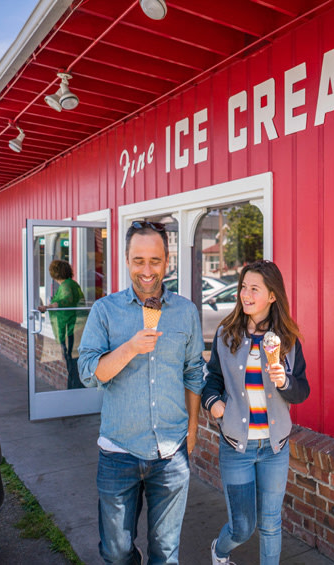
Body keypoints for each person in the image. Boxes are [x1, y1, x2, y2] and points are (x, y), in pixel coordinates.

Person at [78, 221, 205, 564]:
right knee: (116, 552)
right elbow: (89, 374)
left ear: (167, 262)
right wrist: (130, 347)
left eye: (155, 260)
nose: (146, 270)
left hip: (171, 452)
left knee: (165, 554)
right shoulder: (106, 311)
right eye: (138, 260)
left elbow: (194, 373)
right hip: (119, 449)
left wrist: (192, 430)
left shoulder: (185, 312)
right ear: (126, 260)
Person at [202, 259, 310, 565]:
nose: (245, 295)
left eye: (254, 289)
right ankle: (220, 551)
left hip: (274, 448)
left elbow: (302, 391)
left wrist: (285, 381)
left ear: (272, 296)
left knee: (270, 524)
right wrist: (213, 402)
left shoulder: (287, 340)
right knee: (243, 527)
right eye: (243, 288)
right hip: (237, 446)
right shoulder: (227, 333)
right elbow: (213, 379)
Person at [38, 259, 85, 389]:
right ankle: (75, 391)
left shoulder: (66, 286)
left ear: (54, 273)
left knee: (73, 364)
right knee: (73, 363)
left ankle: (75, 393)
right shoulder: (71, 284)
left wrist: (47, 307)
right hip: (73, 328)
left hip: (71, 329)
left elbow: (66, 301)